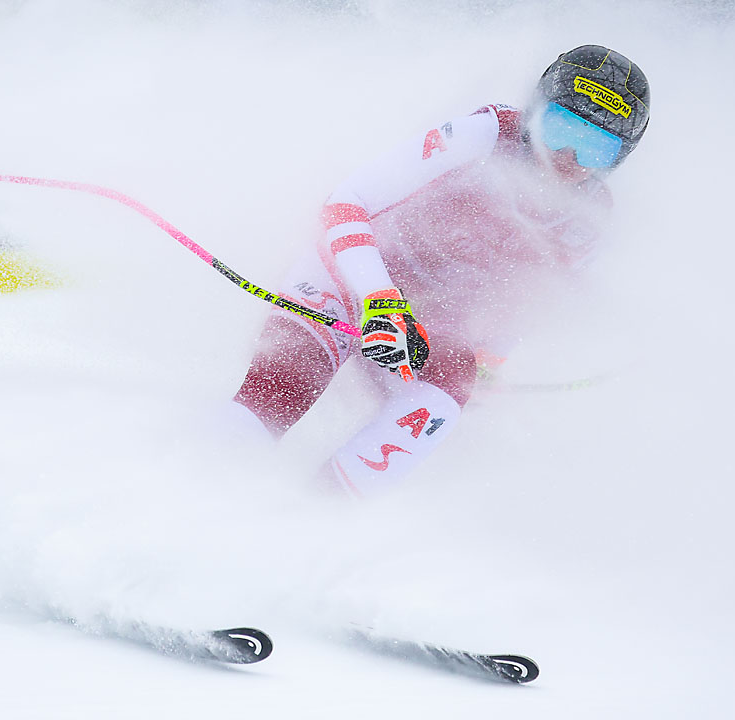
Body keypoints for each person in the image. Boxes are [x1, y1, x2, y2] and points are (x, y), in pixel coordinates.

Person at [228, 44, 651, 498]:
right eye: (561, 128)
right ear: (534, 112)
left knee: (453, 382)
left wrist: (491, 358)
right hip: (352, 278)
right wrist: (379, 297)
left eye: (597, 147)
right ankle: (204, 468)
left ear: (620, 158)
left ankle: (319, 514)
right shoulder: (486, 134)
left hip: (427, 322)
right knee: (281, 390)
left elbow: (526, 299)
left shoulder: (586, 219)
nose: (571, 155)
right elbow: (345, 204)